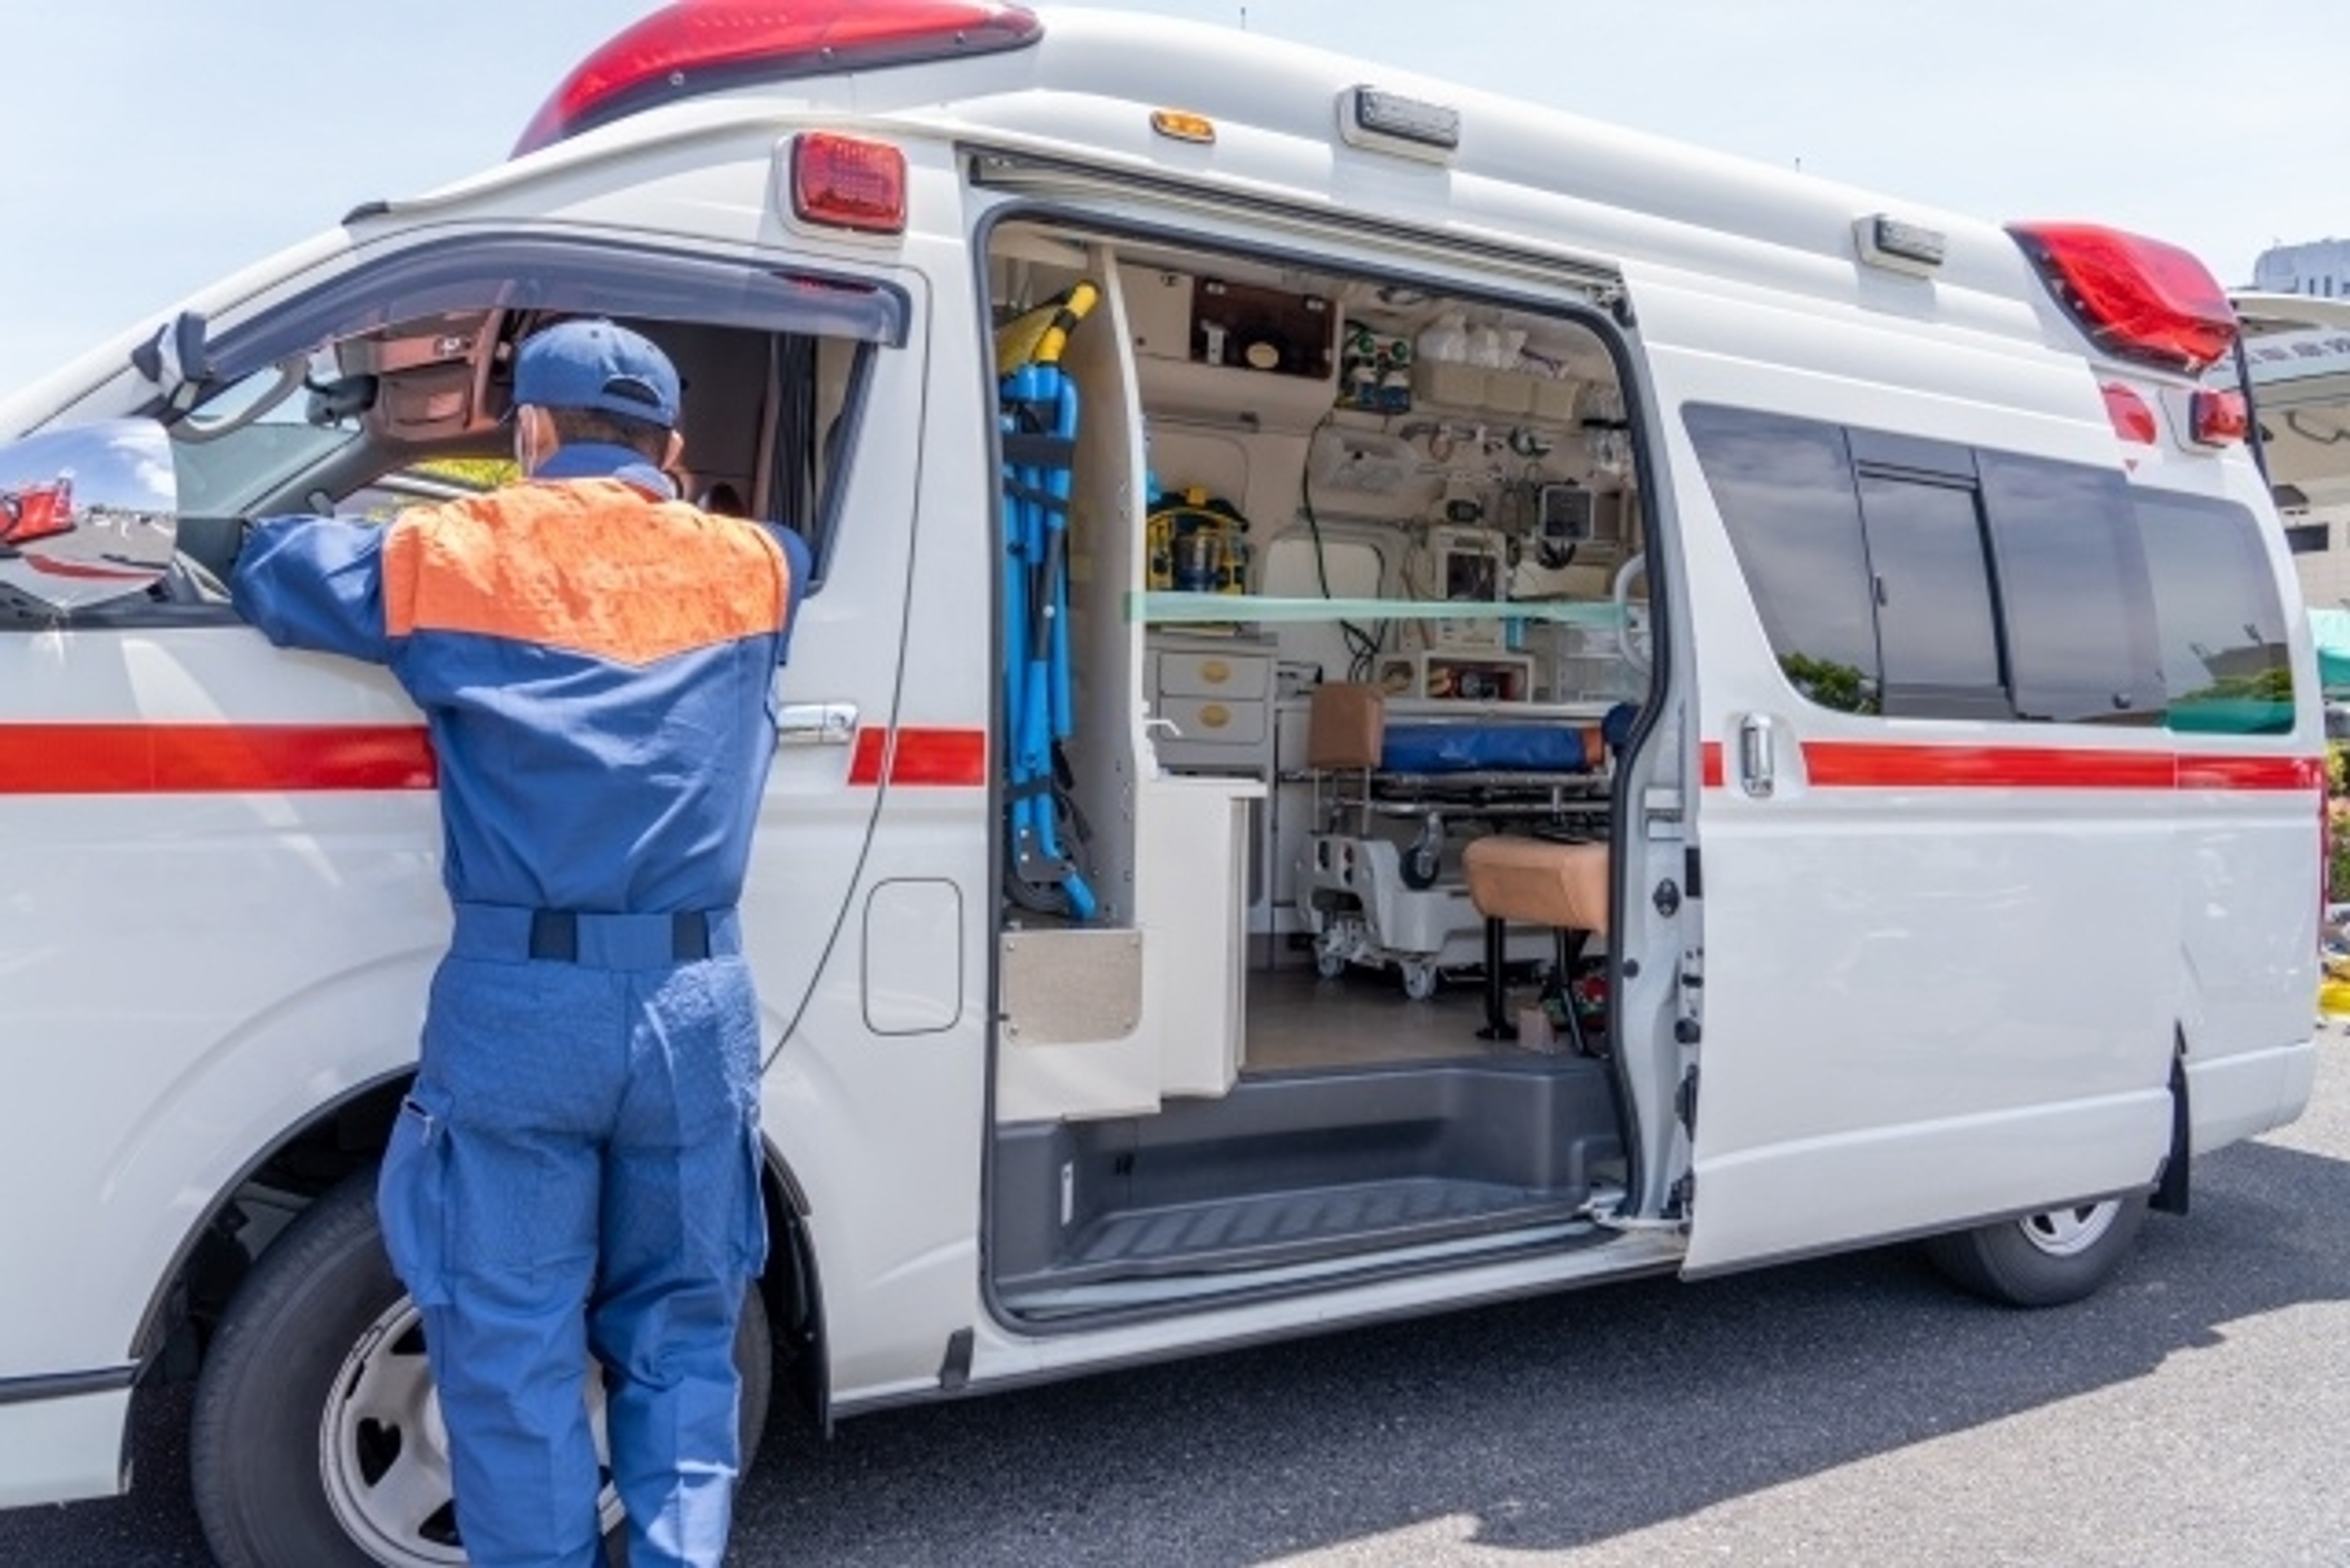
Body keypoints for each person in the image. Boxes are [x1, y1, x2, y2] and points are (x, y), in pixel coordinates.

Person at [231, 318, 810, 1568]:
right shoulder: (761, 565)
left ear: (530, 431)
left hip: (523, 1002)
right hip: (697, 1008)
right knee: (681, 1336)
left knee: (509, 1340)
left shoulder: (445, 551)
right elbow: (793, 557)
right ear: (669, 444)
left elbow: (269, 564)